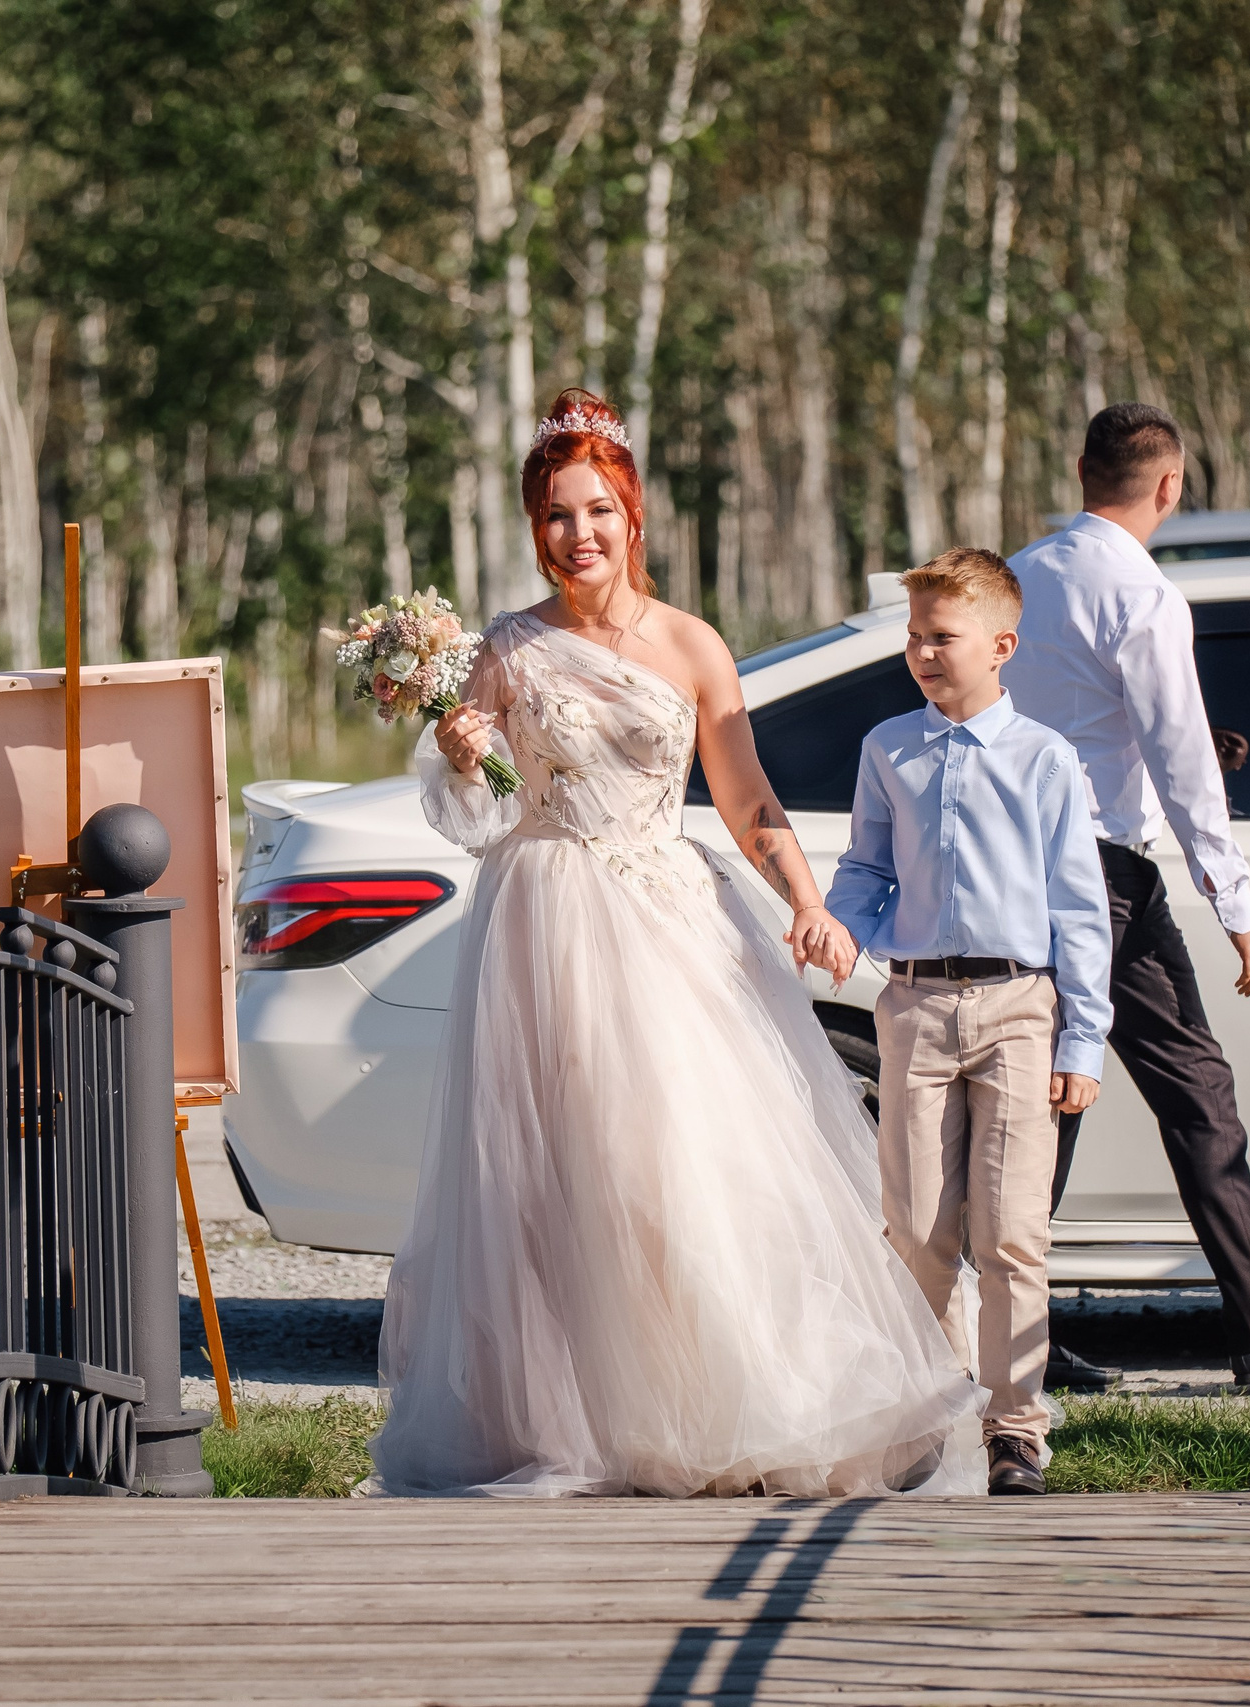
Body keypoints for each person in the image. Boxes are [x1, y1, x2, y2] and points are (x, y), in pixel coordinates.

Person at [368, 388, 988, 1497]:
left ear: (632, 514)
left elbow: (746, 797)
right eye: (557, 516)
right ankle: (586, 1421)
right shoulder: (507, 651)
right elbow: (484, 818)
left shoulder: (693, 645)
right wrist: (464, 757)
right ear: (535, 528)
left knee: (699, 1165)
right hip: (548, 924)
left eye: (597, 510)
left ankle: (733, 1405)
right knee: (570, 1176)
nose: (579, 536)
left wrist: (806, 900)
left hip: (671, 920)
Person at [1003, 402, 1250, 1386]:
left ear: (1080, 469)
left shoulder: (1017, 578)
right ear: (1168, 486)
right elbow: (1175, 757)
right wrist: (1236, 904)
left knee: (1045, 1103)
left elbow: (1072, 726)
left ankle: (1007, 1341)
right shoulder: (1142, 595)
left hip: (1017, 867)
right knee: (1194, 1093)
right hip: (1104, 881)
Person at [823, 548, 1112, 1496]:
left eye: (939, 637)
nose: (920, 652)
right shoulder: (886, 749)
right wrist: (840, 926)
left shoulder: (1045, 760)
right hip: (914, 1005)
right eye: (912, 636)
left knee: (1012, 1231)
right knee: (914, 1227)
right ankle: (922, 1412)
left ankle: (1016, 1430)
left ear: (1001, 645)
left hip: (1019, 1009)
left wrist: (1082, 1038)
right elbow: (868, 870)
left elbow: (1078, 907)